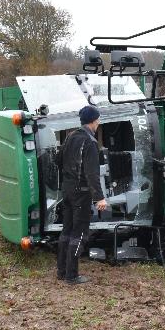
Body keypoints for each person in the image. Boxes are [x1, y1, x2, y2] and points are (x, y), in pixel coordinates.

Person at [57, 105, 108, 285]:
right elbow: (92, 173)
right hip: (81, 193)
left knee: (66, 231)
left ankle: (62, 272)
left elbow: (58, 160)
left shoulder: (71, 136)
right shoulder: (90, 142)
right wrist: (99, 198)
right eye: (98, 119)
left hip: (67, 190)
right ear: (94, 121)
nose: (99, 122)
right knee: (79, 233)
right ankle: (72, 276)